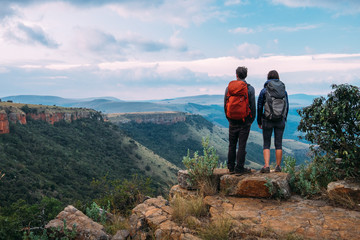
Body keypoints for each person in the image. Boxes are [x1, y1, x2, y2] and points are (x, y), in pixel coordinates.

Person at [224, 66, 256, 174]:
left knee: (232, 144)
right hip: (244, 121)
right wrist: (251, 120)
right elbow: (252, 105)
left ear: (236, 75)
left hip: (232, 120)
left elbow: (225, 104)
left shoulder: (229, 88)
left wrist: (229, 117)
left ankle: (231, 168)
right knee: (242, 145)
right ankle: (239, 169)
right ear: (246, 75)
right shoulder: (250, 88)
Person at [257, 70, 289, 173]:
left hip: (267, 119)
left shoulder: (264, 90)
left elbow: (259, 106)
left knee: (266, 143)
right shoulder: (283, 91)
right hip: (280, 120)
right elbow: (287, 106)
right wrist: (284, 118)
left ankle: (266, 166)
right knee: (278, 143)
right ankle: (278, 166)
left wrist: (259, 120)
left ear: (268, 78)